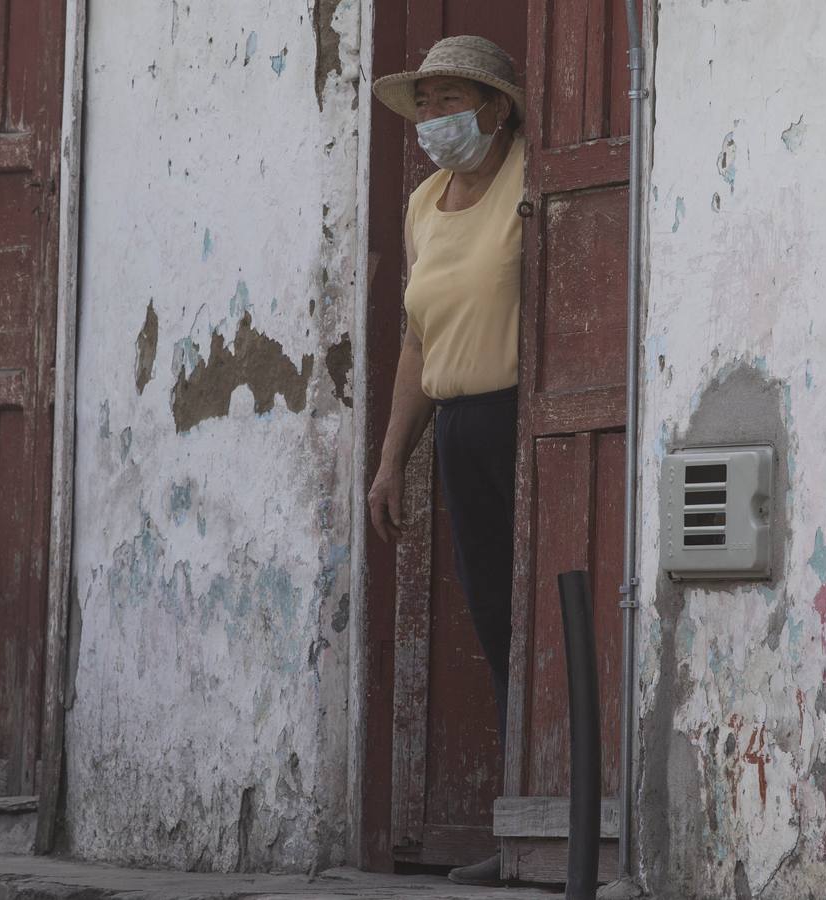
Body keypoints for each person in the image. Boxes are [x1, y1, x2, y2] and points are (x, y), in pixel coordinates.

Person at [369, 34, 525, 887]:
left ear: (496, 109)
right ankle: (521, 828)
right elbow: (418, 341)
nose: (433, 118)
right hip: (460, 432)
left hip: (525, 423)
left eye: (450, 100)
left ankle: (556, 825)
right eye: (424, 102)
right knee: (497, 622)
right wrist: (393, 459)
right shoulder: (427, 202)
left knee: (545, 622)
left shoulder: (534, 182)